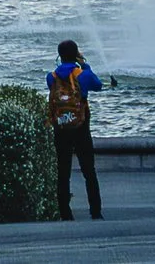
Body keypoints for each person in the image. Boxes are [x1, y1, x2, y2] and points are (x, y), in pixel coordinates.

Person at [47, 38, 108, 220]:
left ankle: (65, 212)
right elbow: (97, 85)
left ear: (59, 55)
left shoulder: (52, 76)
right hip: (81, 127)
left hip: (61, 128)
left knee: (63, 170)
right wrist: (85, 64)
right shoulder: (82, 74)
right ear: (76, 55)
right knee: (89, 170)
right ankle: (95, 211)